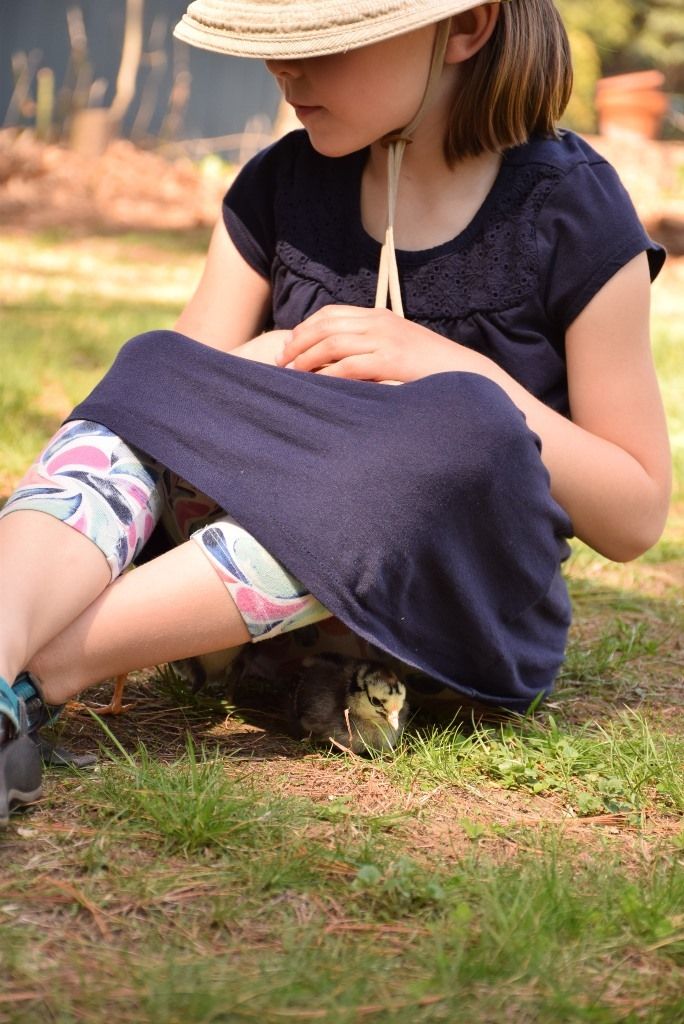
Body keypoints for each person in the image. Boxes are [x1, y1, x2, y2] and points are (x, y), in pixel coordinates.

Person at [0, 0, 671, 821]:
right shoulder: (281, 185)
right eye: (277, 42)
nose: (286, 69)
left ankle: (46, 671)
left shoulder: (571, 209)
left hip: (447, 620)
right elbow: (167, 412)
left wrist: (454, 368)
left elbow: (636, 513)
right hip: (233, 614)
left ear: (466, 29)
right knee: (150, 364)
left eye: (328, 41)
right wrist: (267, 360)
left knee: (461, 426)